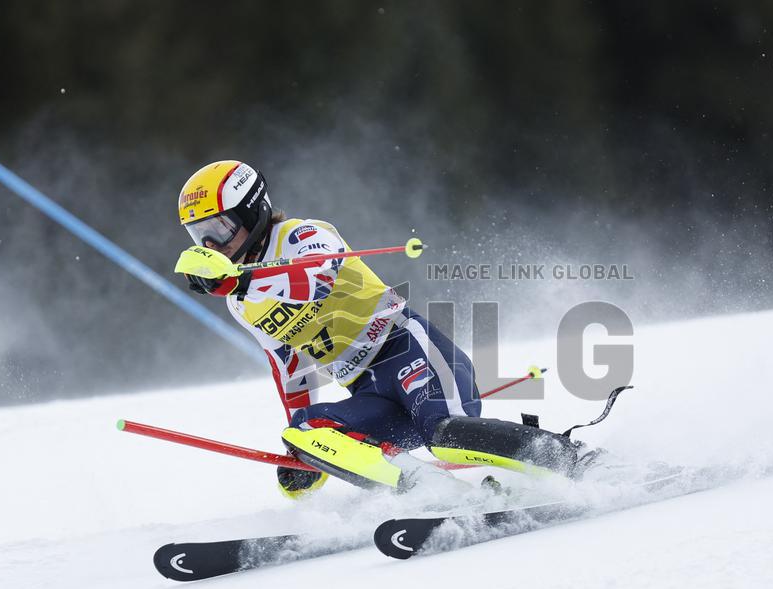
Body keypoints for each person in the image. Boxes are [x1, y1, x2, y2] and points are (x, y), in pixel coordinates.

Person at [175, 160, 605, 499]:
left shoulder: (302, 235)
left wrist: (241, 280)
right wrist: (305, 456)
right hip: (368, 390)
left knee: (446, 435)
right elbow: (288, 367)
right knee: (305, 431)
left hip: (409, 351)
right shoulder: (239, 301)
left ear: (252, 211)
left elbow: (316, 280)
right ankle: (433, 494)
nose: (211, 246)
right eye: (200, 236)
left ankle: (580, 461)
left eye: (219, 230)